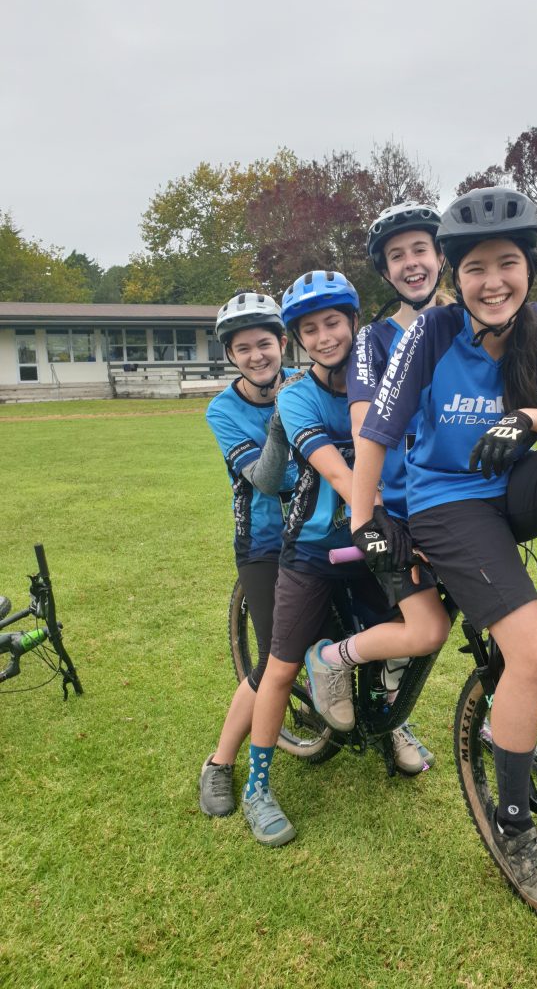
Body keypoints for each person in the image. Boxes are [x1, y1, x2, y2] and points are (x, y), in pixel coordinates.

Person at [350, 187, 537, 913]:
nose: (493, 282)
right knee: (531, 658)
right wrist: (365, 521)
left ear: (529, 268)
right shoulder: (433, 330)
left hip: (509, 486)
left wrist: (528, 418)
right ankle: (513, 828)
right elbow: (377, 430)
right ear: (456, 278)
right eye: (476, 268)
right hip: (446, 503)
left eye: (507, 263)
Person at [241, 270, 450, 846]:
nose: (324, 337)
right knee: (280, 667)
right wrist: (377, 508)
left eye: (333, 323)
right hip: (313, 546)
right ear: (297, 340)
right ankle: (257, 786)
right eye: (310, 330)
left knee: (397, 643)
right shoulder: (296, 396)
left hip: (375, 543)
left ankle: (390, 725)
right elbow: (336, 470)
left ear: (354, 323)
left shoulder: (380, 376)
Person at [345, 201, 448, 771]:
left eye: (420, 250)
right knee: (420, 628)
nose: (411, 263)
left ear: (440, 257)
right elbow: (364, 424)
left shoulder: (465, 325)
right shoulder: (374, 339)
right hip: (402, 509)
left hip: (462, 499)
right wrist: (374, 507)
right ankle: (382, 707)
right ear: (386, 272)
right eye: (397, 256)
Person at [199, 290, 298, 818]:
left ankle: (389, 725)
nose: (257, 355)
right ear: (231, 356)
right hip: (263, 544)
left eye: (264, 343)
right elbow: (265, 478)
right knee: (275, 659)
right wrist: (285, 416)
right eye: (243, 348)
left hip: (319, 535)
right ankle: (220, 762)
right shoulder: (223, 410)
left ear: (282, 343)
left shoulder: (307, 384)